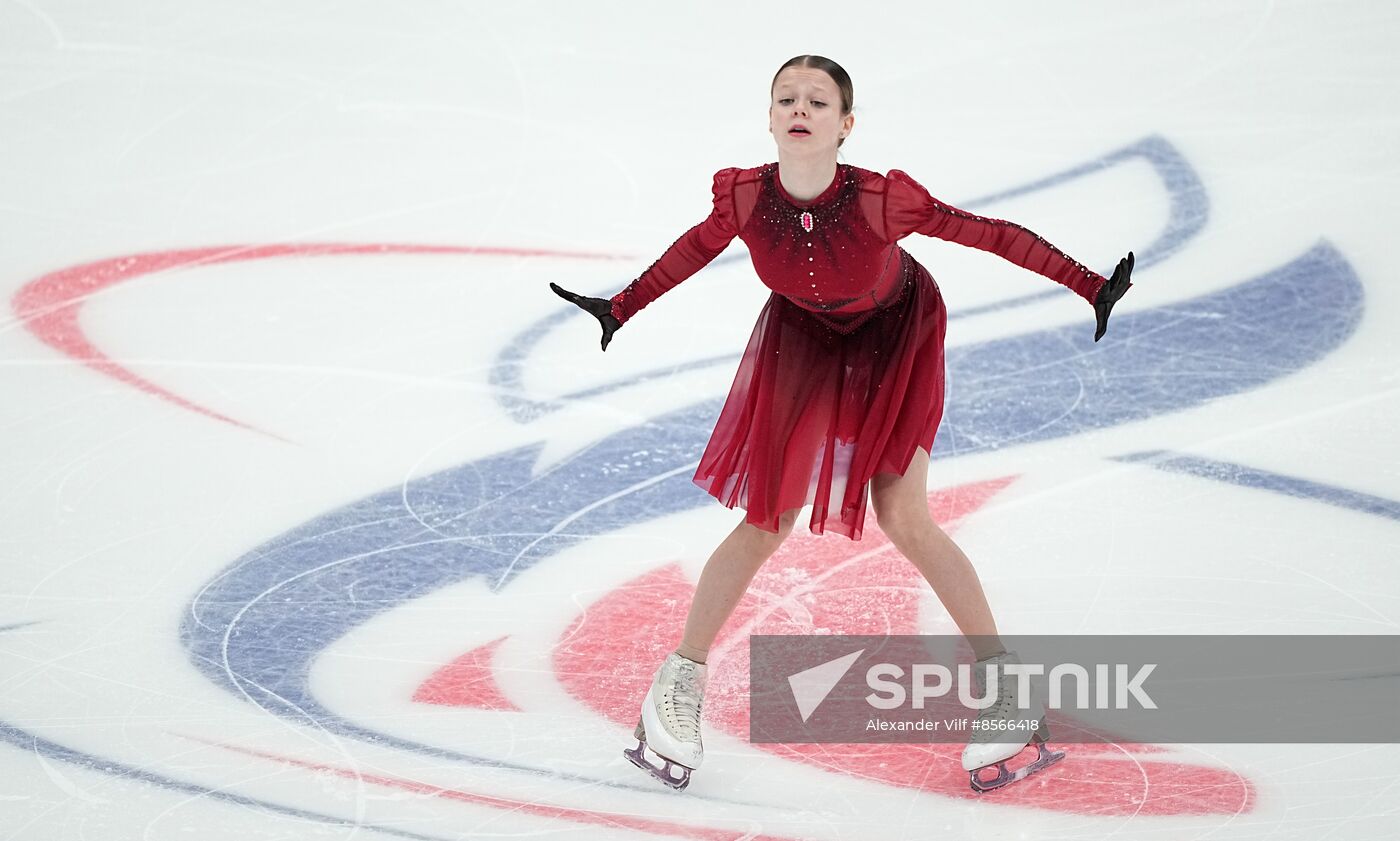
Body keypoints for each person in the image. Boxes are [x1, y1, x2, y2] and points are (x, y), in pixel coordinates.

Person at [551, 55, 1134, 793]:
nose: (800, 108)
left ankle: (1006, 685)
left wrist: (1087, 283)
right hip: (803, 338)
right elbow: (692, 251)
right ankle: (678, 682)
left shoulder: (880, 202)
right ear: (769, 118)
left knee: (903, 513)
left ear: (844, 125)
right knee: (767, 517)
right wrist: (620, 306)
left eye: (818, 101)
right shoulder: (742, 197)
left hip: (897, 333)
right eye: (786, 98)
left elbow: (985, 233)